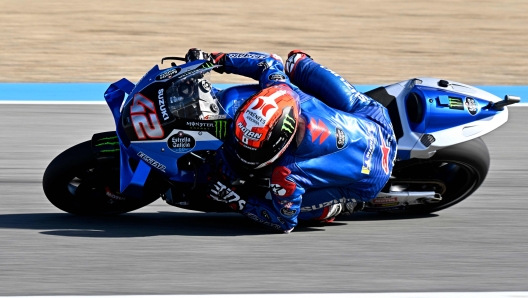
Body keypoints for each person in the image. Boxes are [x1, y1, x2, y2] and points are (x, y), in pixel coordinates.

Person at [184, 48, 397, 233]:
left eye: (253, 151)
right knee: (296, 61)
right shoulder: (280, 89)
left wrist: (235, 199)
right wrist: (214, 59)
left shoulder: (285, 175)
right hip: (373, 117)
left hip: (372, 176)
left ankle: (341, 206)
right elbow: (267, 62)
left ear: (279, 144)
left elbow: (285, 221)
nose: (243, 151)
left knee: (289, 204)